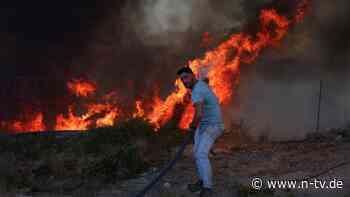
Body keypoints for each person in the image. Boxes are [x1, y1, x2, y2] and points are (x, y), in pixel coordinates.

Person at [177, 66, 224, 197]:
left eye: (186, 77)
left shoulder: (197, 91)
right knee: (197, 154)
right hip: (203, 126)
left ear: (192, 76)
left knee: (201, 155)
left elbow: (198, 115)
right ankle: (203, 180)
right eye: (182, 79)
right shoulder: (200, 84)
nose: (184, 81)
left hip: (212, 126)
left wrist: (192, 126)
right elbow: (205, 80)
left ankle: (207, 188)